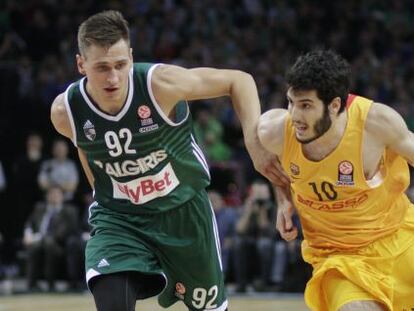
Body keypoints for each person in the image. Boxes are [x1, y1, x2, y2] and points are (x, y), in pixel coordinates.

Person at [50, 10, 288, 311]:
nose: (113, 77)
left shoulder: (160, 84)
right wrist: (107, 192)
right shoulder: (65, 112)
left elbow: (239, 81)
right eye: (102, 68)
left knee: (211, 307)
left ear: (132, 58)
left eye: (120, 65)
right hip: (121, 218)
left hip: (183, 211)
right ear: (81, 64)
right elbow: (88, 150)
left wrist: (254, 144)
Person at [257, 49, 414, 311]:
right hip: (338, 259)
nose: (295, 116)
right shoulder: (274, 132)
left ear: (335, 105)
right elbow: (272, 166)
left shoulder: (375, 124)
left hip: (399, 238)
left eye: (306, 105)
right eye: (290, 102)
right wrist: (283, 200)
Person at [23, 186, 79, 292]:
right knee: (34, 246)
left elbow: (65, 231)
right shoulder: (39, 208)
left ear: (62, 197)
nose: (54, 196)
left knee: (49, 243)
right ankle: (31, 284)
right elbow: (29, 223)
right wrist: (28, 234)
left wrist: (40, 238)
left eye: (57, 194)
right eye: (51, 194)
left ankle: (50, 283)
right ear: (47, 196)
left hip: (59, 244)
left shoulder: (69, 211)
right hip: (38, 242)